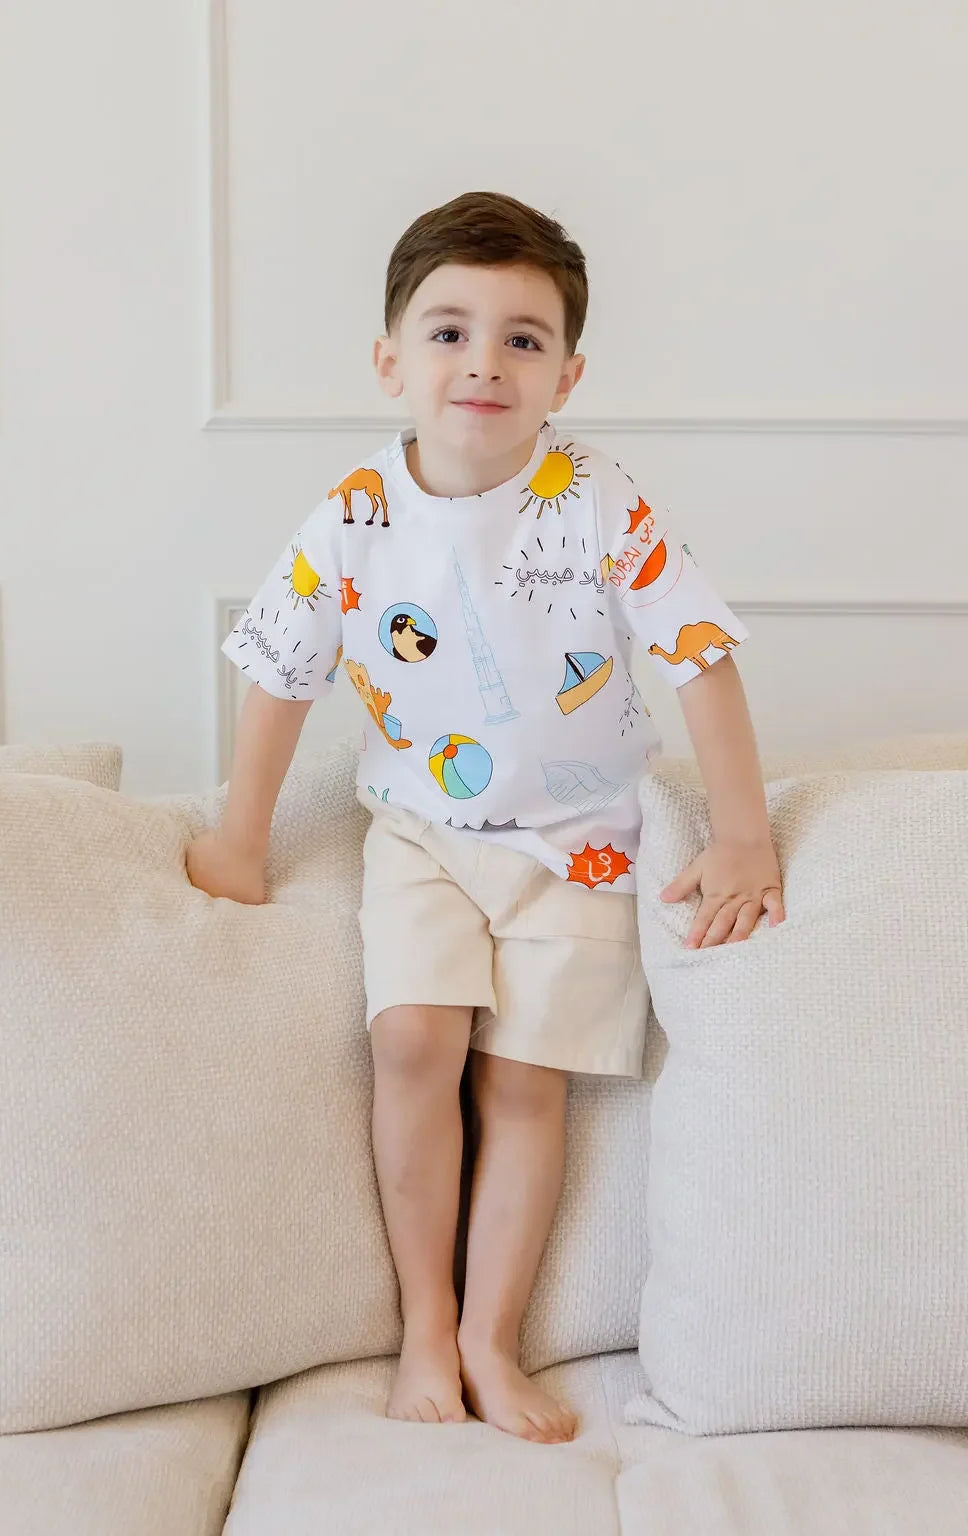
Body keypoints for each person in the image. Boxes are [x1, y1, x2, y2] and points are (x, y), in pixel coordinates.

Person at [187, 190, 785, 1445]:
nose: (482, 361)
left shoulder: (596, 497)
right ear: (389, 358)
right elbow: (281, 669)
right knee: (414, 1037)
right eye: (449, 329)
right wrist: (241, 840)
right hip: (422, 836)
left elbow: (700, 652)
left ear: (567, 372)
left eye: (522, 338)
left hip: (585, 849)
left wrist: (742, 834)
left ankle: (487, 1341)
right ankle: (420, 1323)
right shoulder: (354, 514)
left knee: (522, 1080)